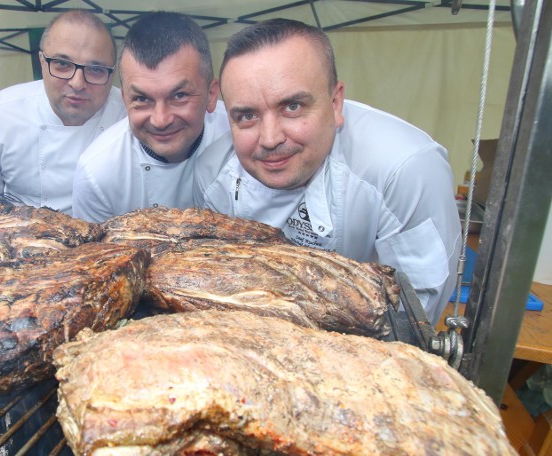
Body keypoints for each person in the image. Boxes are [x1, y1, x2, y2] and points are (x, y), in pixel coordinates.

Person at [194, 19, 461, 322]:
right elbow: (218, 288)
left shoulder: (405, 169)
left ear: (336, 103)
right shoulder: (213, 173)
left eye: (292, 107)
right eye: (246, 115)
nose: (269, 139)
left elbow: (414, 315)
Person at [0, 10, 125, 212]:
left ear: (112, 72)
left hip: (113, 239)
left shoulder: (131, 116)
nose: (77, 83)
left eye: (95, 69)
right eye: (62, 64)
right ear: (42, 62)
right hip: (20, 236)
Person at [71, 11, 230, 223]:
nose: (160, 120)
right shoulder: (97, 172)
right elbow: (94, 255)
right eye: (142, 99)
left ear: (211, 95)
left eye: (179, 96)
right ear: (125, 101)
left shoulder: (242, 138)